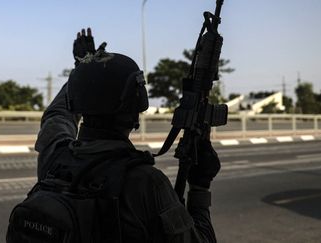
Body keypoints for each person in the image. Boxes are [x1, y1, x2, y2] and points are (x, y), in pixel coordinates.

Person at [35, 27, 220, 242]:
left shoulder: (54, 157)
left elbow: (56, 116)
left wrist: (85, 67)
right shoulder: (146, 183)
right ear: (136, 109)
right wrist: (199, 186)